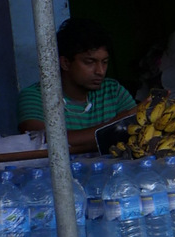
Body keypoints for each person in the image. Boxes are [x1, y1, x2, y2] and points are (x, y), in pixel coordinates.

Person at [17, 18, 136, 153]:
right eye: (90, 62)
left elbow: (136, 133)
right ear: (66, 63)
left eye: (104, 62)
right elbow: (41, 141)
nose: (100, 71)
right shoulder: (35, 97)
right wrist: (118, 125)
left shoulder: (113, 91)